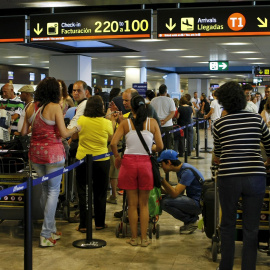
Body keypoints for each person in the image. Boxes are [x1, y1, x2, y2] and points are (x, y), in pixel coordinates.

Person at [213, 81, 270, 270]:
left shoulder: (219, 124)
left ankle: (226, 266)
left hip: (229, 177)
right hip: (256, 176)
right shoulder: (257, 119)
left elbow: (218, 156)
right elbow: (269, 146)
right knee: (251, 227)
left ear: (223, 101)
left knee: (228, 224)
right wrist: (265, 163)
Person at [21, 77, 79, 247]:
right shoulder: (54, 107)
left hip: (36, 155)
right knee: (53, 191)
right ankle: (45, 234)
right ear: (55, 91)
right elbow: (63, 133)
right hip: (53, 155)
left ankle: (51, 228)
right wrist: (76, 128)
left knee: (46, 190)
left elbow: (24, 131)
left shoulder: (31, 107)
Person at [110, 95, 163, 247]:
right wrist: (150, 148)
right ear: (144, 106)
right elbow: (160, 146)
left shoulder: (125, 123)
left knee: (132, 204)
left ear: (131, 108)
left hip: (128, 164)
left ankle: (133, 238)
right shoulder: (152, 123)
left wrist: (117, 158)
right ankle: (144, 239)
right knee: (144, 205)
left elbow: (114, 143)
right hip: (146, 164)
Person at [75, 95, 113, 232]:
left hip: (82, 160)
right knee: (100, 192)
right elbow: (111, 138)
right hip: (101, 160)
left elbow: (74, 136)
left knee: (83, 192)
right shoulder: (106, 123)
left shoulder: (81, 120)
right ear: (101, 107)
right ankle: (99, 223)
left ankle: (84, 225)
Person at [158, 149, 204, 235]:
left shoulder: (187, 172)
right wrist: (160, 190)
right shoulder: (181, 169)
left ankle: (191, 221)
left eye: (162, 164)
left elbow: (175, 193)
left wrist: (162, 180)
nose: (161, 167)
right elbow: (179, 193)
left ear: (168, 162)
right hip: (194, 201)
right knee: (163, 199)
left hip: (198, 204)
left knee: (165, 202)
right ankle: (191, 219)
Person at [150, 84, 175, 149]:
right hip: (168, 125)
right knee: (168, 144)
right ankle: (167, 158)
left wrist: (159, 121)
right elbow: (172, 113)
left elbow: (151, 113)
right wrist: (164, 121)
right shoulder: (170, 100)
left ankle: (159, 158)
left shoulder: (153, 100)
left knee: (157, 144)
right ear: (166, 92)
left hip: (156, 125)